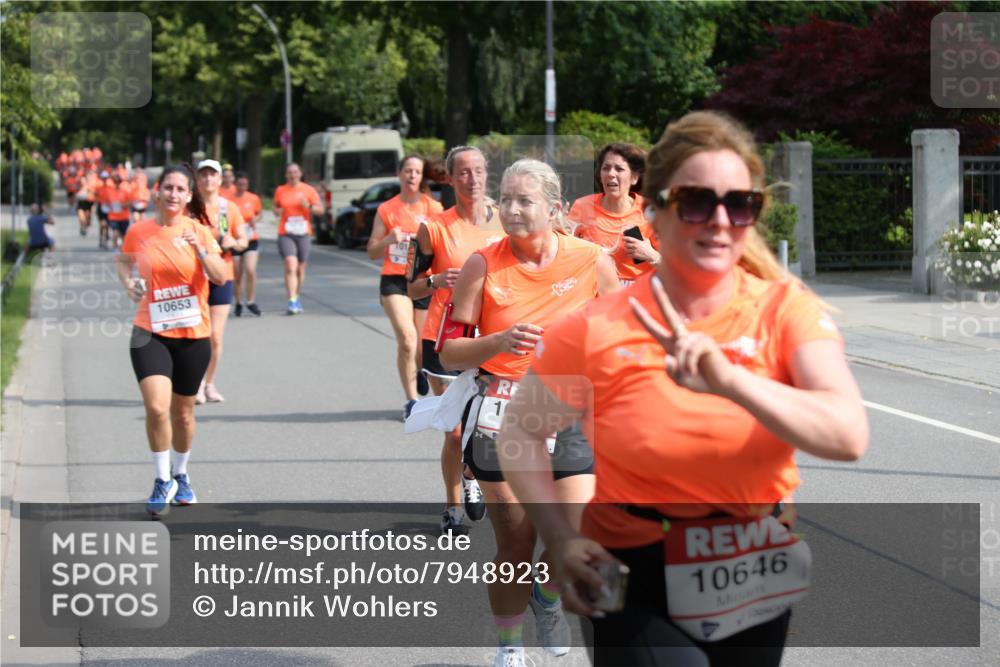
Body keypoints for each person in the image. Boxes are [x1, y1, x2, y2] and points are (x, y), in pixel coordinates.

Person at [496, 111, 869, 666]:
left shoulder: (784, 309)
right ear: (654, 211)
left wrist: (731, 381)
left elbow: (847, 434)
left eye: (739, 204)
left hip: (752, 558)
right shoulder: (596, 327)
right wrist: (561, 535)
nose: (719, 221)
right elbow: (519, 433)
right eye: (696, 202)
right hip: (631, 563)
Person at [439, 159, 618, 667]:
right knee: (516, 543)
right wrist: (497, 341)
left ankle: (547, 592)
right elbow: (449, 352)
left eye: (525, 200)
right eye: (506, 200)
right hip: (503, 410)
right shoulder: (482, 264)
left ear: (554, 208)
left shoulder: (591, 260)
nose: (512, 210)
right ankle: (510, 647)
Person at [116, 163, 226, 517]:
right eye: (168, 187)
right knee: (157, 408)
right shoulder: (139, 231)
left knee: (183, 414)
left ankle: (181, 474)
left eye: (180, 189)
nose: (173, 194)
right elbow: (123, 261)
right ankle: (162, 479)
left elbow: (221, 277)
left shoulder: (200, 231)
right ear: (157, 191)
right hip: (150, 331)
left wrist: (201, 251)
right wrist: (128, 283)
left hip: (193, 335)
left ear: (190, 195)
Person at [407, 146, 504, 535]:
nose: (472, 179)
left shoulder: (506, 220)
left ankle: (470, 473)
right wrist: (436, 280)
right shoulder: (433, 228)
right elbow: (412, 288)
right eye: (463, 172)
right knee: (454, 428)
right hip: (444, 338)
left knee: (485, 424)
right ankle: (452, 507)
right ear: (449, 178)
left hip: (492, 335)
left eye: (478, 171)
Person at [367, 155, 443, 415]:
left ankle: (420, 368)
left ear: (422, 177)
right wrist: (388, 240)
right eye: (408, 170)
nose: (412, 175)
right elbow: (372, 252)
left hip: (422, 280)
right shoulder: (387, 209)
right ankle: (412, 401)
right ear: (399, 173)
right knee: (408, 340)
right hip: (394, 280)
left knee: (421, 346)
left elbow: (444, 244)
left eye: (417, 172)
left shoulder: (433, 208)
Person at [194, 159, 248, 404]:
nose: (208, 179)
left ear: (219, 179)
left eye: (212, 174)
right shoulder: (189, 209)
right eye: (203, 174)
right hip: (194, 277)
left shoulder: (229, 208)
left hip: (221, 275)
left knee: (215, 336)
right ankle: (195, 383)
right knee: (197, 335)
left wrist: (234, 243)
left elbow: (243, 240)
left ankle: (210, 383)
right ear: (197, 179)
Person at [569, 143, 661, 287]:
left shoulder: (649, 210)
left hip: (637, 289)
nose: (611, 174)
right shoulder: (582, 206)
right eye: (606, 168)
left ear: (634, 177)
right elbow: (565, 253)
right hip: (594, 286)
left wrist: (650, 254)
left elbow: (676, 268)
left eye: (619, 169)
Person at [273, 163, 323, 314]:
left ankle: (296, 295)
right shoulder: (280, 190)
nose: (292, 175)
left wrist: (308, 206)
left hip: (303, 233)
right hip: (286, 232)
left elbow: (320, 210)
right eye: (290, 172)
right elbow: (276, 208)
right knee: (290, 264)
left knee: (300, 269)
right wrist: (277, 211)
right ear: (286, 175)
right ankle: (292, 300)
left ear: (300, 174)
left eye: (295, 172)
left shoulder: (308, 190)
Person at [230, 171, 263, 317]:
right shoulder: (229, 200)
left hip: (251, 239)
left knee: (250, 269)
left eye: (245, 184)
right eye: (240, 184)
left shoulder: (253, 198)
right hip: (235, 240)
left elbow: (259, 213)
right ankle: (238, 302)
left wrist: (255, 219)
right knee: (237, 274)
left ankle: (250, 301)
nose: (242, 187)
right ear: (235, 185)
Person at [105, 173, 133, 249]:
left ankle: (123, 249)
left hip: (124, 216)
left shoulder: (125, 191)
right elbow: (106, 202)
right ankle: (115, 248)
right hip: (113, 216)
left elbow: (130, 203)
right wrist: (109, 205)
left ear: (120, 182)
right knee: (115, 232)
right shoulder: (110, 191)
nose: (116, 183)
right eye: (115, 181)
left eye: (118, 181)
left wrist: (124, 205)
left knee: (123, 234)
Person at [76, 169, 99, 236]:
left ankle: (85, 226)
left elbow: (97, 194)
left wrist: (94, 205)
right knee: (81, 216)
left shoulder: (95, 184)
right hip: (81, 203)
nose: (89, 177)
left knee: (87, 218)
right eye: (88, 175)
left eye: (91, 175)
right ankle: (82, 226)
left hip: (89, 203)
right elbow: (77, 190)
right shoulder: (82, 181)